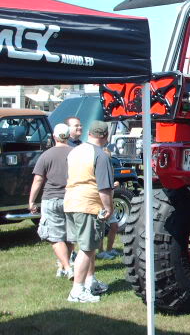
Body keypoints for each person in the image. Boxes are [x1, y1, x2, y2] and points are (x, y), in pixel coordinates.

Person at [64, 120, 113, 303]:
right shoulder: (101, 155)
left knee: (86, 246)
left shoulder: (75, 151)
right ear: (105, 136)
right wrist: (108, 207)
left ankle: (90, 282)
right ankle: (77, 291)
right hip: (88, 204)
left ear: (90, 133)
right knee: (87, 248)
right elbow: (104, 187)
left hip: (70, 201)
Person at [28, 123, 76, 279]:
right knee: (69, 236)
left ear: (54, 136)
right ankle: (63, 266)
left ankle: (68, 268)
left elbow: (38, 180)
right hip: (72, 198)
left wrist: (31, 201)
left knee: (55, 237)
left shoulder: (46, 155)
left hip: (51, 199)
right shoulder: (76, 154)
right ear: (69, 136)